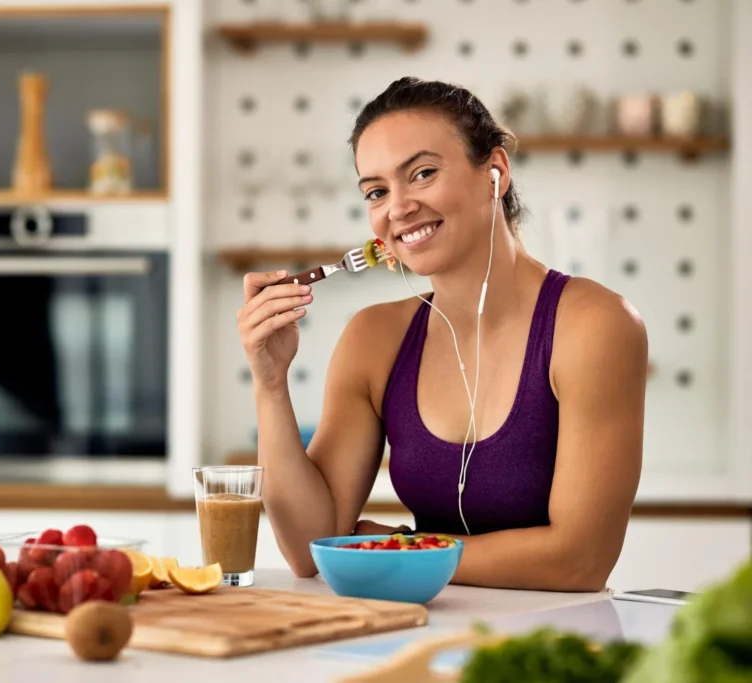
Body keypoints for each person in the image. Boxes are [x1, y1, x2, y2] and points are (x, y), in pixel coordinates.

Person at [236, 77, 648, 592]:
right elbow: (310, 548)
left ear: (495, 172)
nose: (398, 207)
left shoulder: (593, 325)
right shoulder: (374, 338)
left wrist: (393, 546)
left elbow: (581, 561)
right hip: (421, 638)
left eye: (423, 173)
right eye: (377, 192)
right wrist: (269, 383)